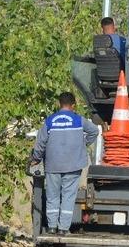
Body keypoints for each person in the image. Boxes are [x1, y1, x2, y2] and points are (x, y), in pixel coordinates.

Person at [31, 92, 100, 235]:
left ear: (59, 104)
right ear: (73, 105)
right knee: (68, 197)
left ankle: (51, 227)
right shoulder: (79, 120)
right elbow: (94, 131)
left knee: (52, 197)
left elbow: (40, 143)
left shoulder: (50, 121)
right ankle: (63, 228)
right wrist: (83, 145)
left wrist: (36, 158)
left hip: (52, 165)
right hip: (73, 166)